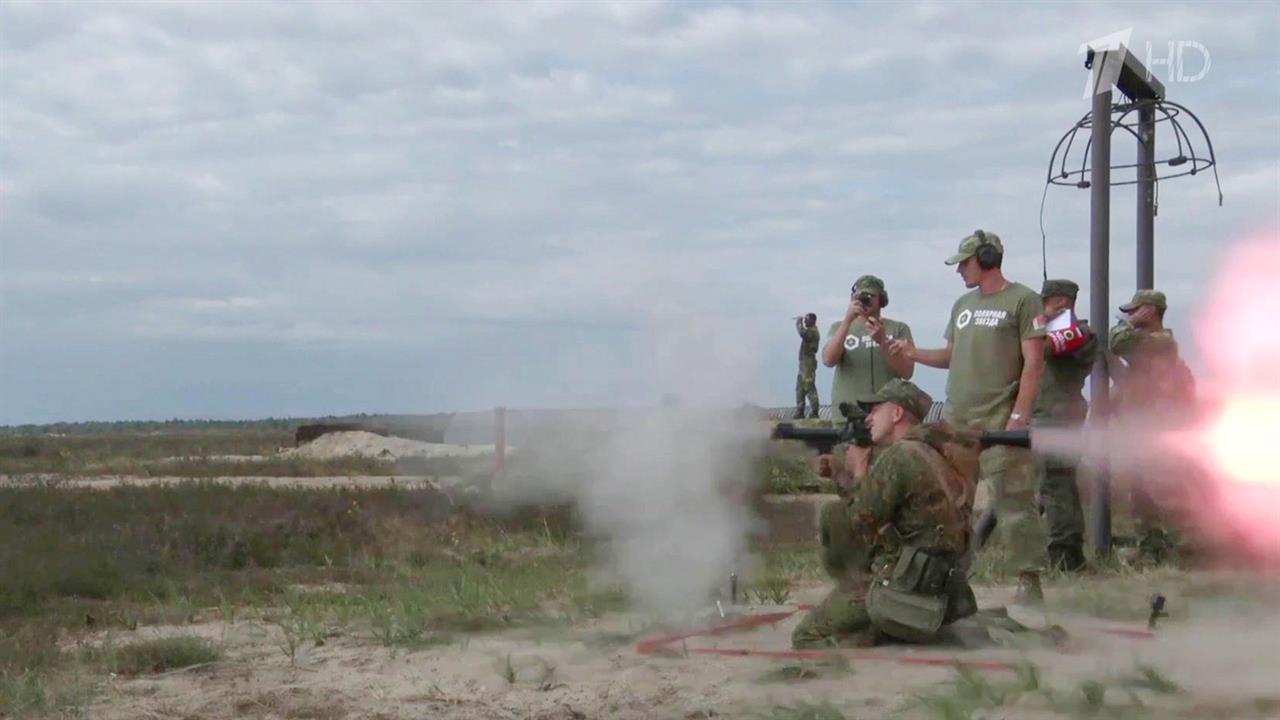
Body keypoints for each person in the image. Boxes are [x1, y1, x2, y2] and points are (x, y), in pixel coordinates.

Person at [889, 230, 1046, 570]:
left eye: (964, 263)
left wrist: (1019, 416)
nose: (960, 270)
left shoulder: (1024, 300)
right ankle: (954, 576)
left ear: (987, 258)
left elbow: (1034, 361)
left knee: (1015, 504)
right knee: (952, 506)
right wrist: (913, 354)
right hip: (958, 421)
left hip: (1001, 419)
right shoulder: (962, 305)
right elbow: (951, 356)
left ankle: (1028, 579)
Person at [792, 379, 980, 649]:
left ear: (896, 413)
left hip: (902, 584)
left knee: (805, 637)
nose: (868, 418)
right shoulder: (935, 452)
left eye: (875, 410)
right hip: (940, 583)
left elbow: (859, 522)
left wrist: (857, 471)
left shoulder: (898, 457)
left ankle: (870, 643)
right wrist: (841, 474)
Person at [1108, 291, 1198, 565]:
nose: (1131, 316)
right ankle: (1151, 550)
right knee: (1141, 494)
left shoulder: (1160, 342)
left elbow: (1118, 341)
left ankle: (1188, 551)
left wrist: (1129, 323)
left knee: (1166, 494)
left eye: (1137, 311)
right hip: (1142, 428)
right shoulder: (1146, 347)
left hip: (1159, 430)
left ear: (1151, 310)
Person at [1031, 279, 1097, 572]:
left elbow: (1044, 349)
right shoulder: (1060, 330)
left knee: (1056, 486)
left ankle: (1064, 557)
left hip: (1057, 418)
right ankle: (1069, 554)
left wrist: (1039, 321)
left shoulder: (1076, 331)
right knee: (1057, 486)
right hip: (1046, 415)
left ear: (1058, 302)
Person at [822, 275, 913, 420]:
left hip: (886, 419)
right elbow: (828, 360)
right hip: (847, 416)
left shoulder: (898, 329)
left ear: (881, 300)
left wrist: (883, 341)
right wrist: (847, 322)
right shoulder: (839, 328)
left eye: (869, 296)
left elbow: (907, 372)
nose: (863, 301)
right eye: (859, 297)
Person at [794, 313, 821, 419]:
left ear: (813, 320)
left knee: (809, 386)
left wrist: (798, 323)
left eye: (807, 320)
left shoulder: (813, 332)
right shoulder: (811, 331)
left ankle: (814, 411)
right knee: (800, 387)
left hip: (808, 363)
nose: (805, 322)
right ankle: (800, 411)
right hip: (803, 362)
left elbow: (802, 333)